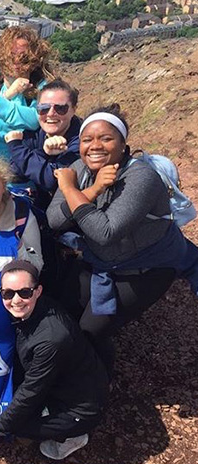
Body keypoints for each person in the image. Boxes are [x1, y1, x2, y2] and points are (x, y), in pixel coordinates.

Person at [46, 104, 194, 372]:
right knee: (62, 315)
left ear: (123, 145)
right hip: (100, 262)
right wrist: (93, 189)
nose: (95, 146)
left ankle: (95, 390)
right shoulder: (78, 168)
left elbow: (105, 233)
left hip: (145, 270)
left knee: (87, 334)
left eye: (106, 138)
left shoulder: (141, 178)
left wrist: (68, 188)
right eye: (87, 139)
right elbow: (55, 220)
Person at [0, 260, 108, 461]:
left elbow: (31, 391)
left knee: (19, 426)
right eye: (8, 293)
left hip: (79, 408)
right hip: (66, 381)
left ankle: (73, 436)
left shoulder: (51, 339)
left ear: (38, 291)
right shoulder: (38, 309)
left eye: (24, 292)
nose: (16, 300)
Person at [0, 26, 57, 160]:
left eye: (24, 56)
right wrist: (7, 95)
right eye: (11, 56)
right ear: (1, 57)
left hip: (29, 177)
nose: (17, 61)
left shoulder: (44, 89)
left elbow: (36, 120)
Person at [5, 78, 82, 212]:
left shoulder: (83, 139)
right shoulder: (36, 132)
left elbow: (52, 180)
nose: (51, 113)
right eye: (43, 108)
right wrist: (43, 152)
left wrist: (16, 146)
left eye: (61, 108)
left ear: (73, 110)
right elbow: (13, 171)